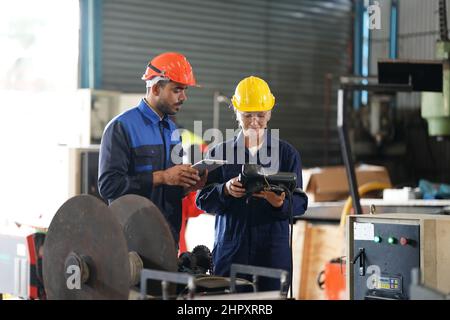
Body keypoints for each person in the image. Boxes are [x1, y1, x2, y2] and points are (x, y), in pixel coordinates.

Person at [195, 76, 308, 291]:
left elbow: (301, 202)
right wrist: (225, 190)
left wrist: (280, 203)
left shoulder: (286, 154)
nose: (254, 121)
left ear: (269, 114)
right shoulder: (219, 152)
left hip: (272, 255)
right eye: (248, 115)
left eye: (260, 115)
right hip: (231, 252)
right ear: (237, 113)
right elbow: (202, 200)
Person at [98, 52, 207, 246]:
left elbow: (168, 187)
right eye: (177, 90)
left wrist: (188, 185)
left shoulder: (172, 130)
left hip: (167, 239)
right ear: (156, 88)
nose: (184, 97)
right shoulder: (122, 127)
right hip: (132, 242)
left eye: (184, 90)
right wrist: (163, 176)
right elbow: (109, 186)